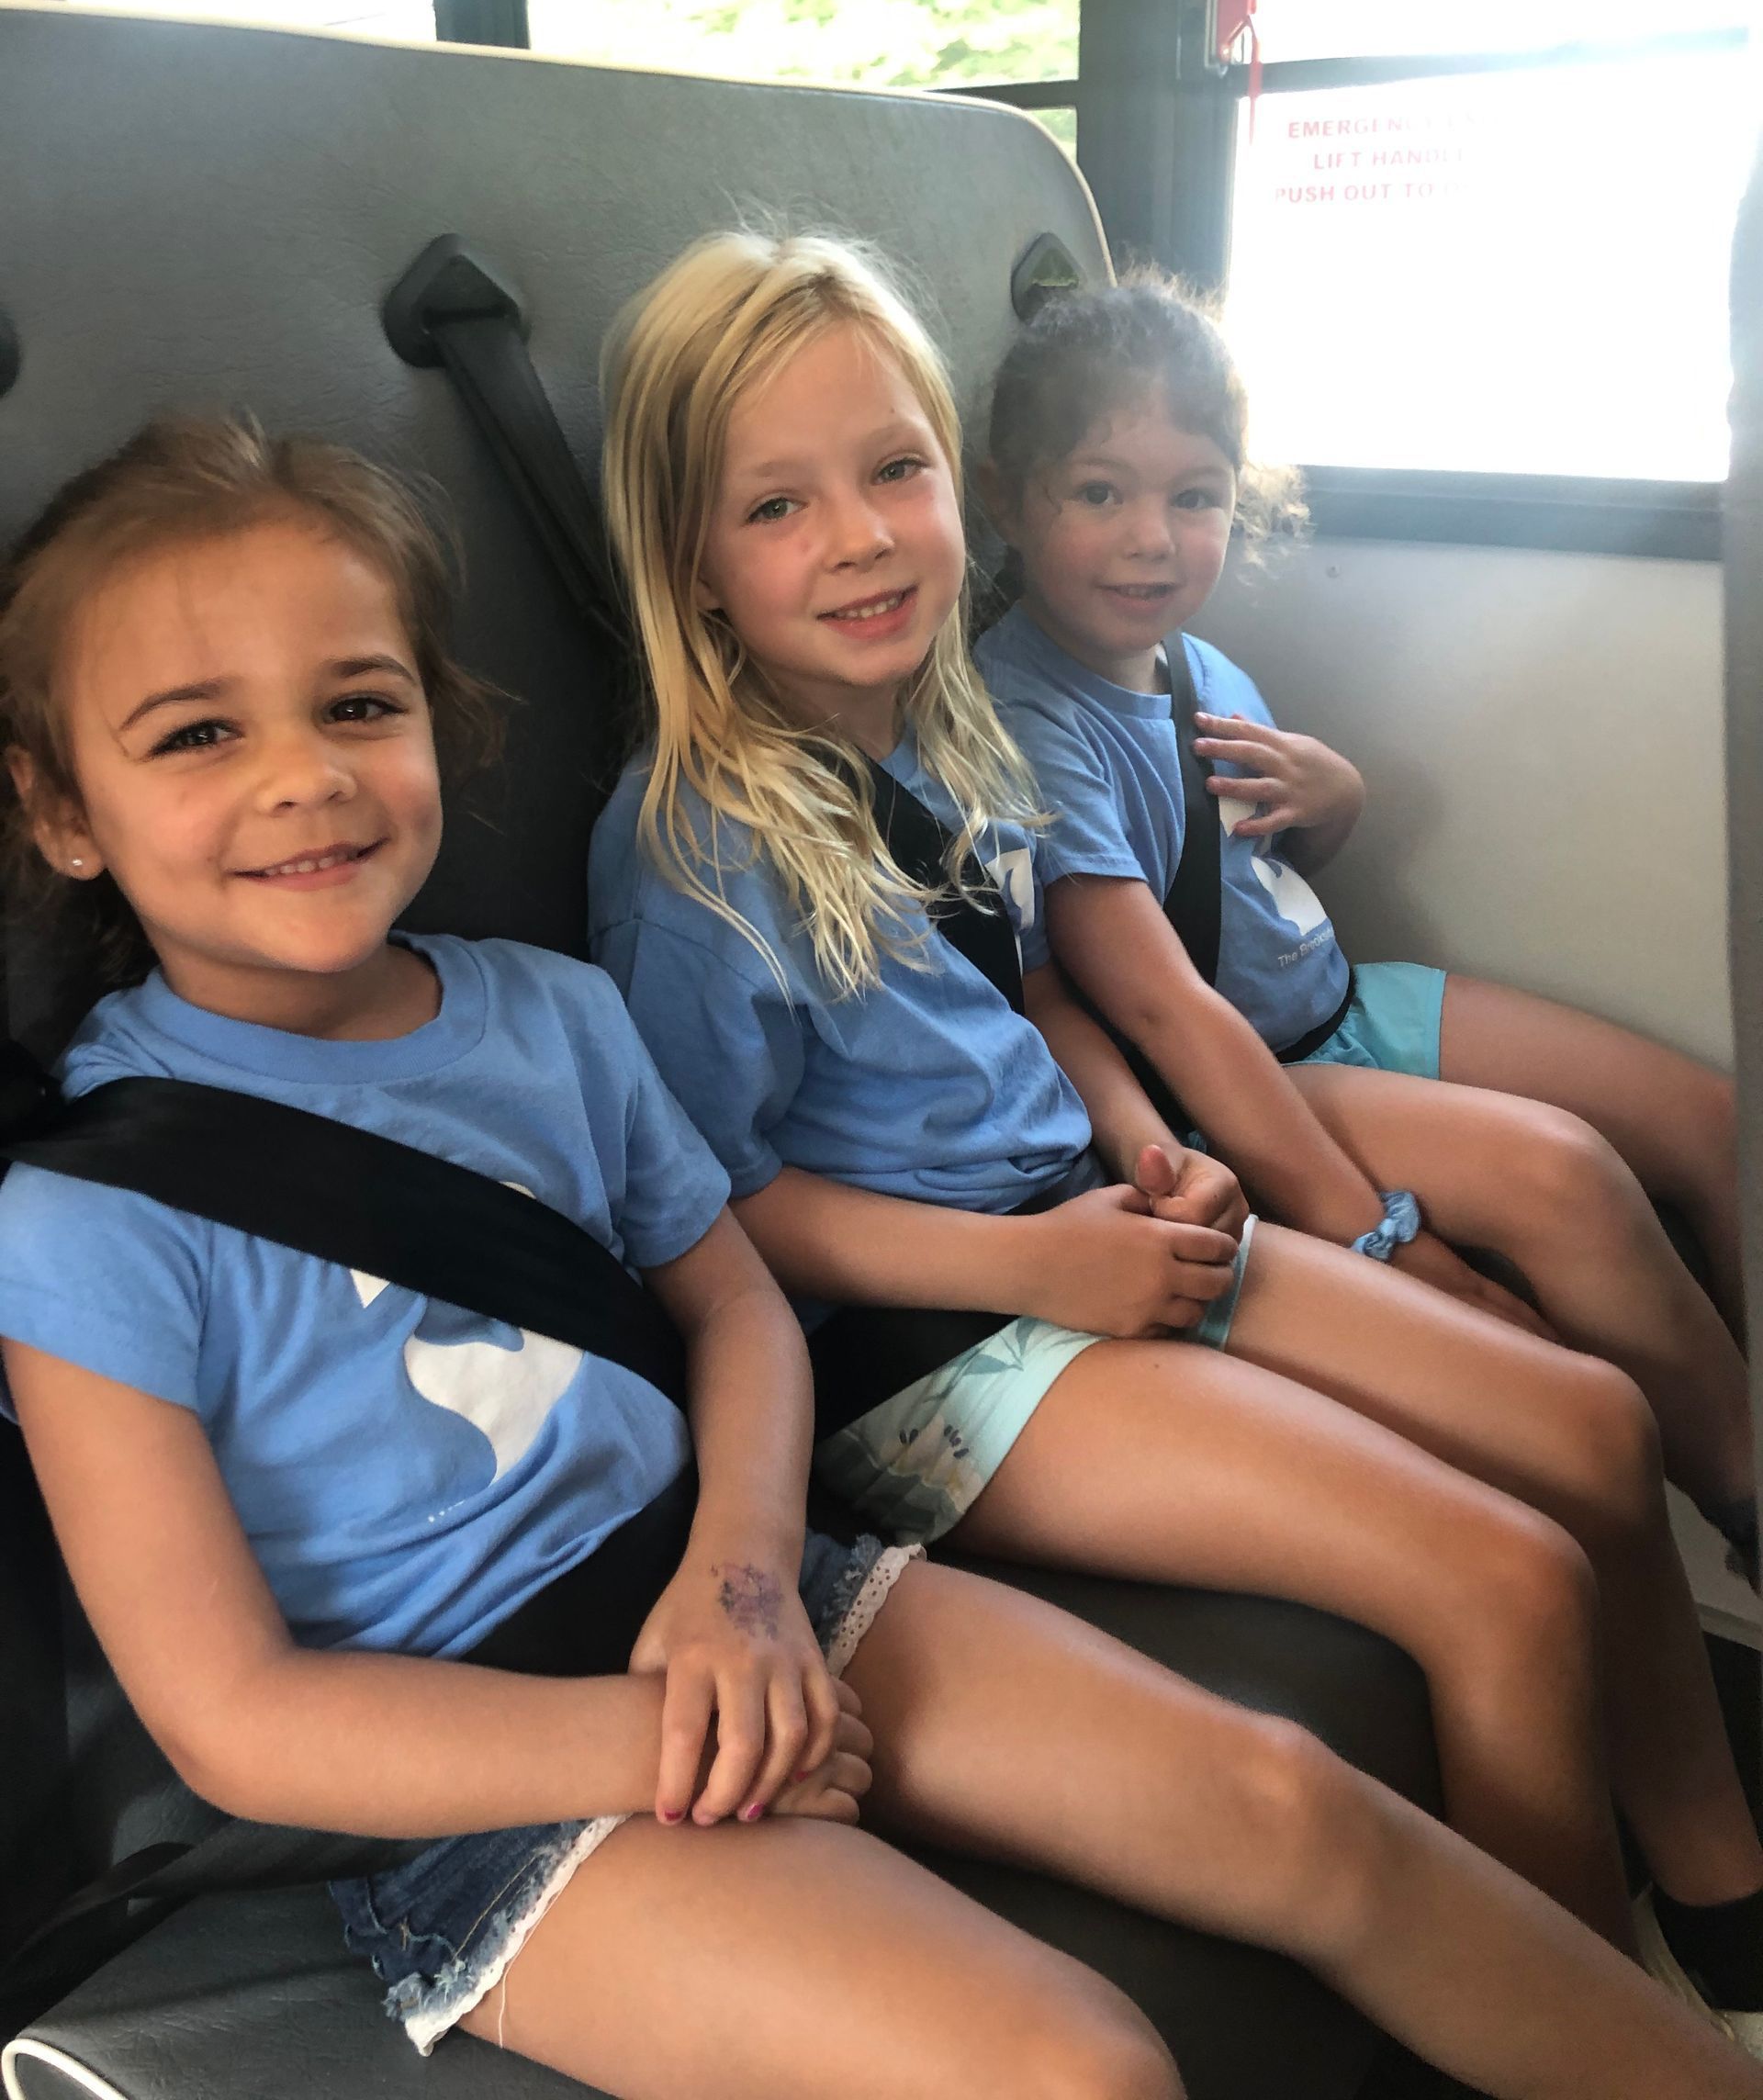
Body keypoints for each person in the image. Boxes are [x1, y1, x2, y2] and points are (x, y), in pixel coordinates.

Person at [7, 426, 1751, 2100]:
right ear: (60, 808)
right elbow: (237, 1720)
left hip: (749, 1581)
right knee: (1078, 2069)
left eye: (358, 705)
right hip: (489, 1775)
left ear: (437, 728)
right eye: (192, 737)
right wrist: (668, 1735)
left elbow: (732, 1305)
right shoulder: (92, 1218)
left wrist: (748, 1585)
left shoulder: (545, 1013)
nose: (303, 775)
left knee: (1299, 1806)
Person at [588, 228, 1763, 2054]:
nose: (864, 536)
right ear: (691, 562)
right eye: (779, 506)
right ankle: (1599, 2017)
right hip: (934, 1344)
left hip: (1092, 1220)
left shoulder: (954, 731)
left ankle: (1724, 1913)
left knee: (1597, 1423)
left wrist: (1142, 1141)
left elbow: (1046, 993)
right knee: (1501, 1571)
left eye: (893, 471)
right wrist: (1032, 1259)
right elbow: (721, 1214)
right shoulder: (691, 849)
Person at [974, 270, 1754, 1588]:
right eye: (1099, 492)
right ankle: (1743, 1488)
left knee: (1711, 1123)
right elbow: (1165, 1009)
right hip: (1258, 1077)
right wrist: (1383, 1239)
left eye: (1195, 496)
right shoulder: (1028, 715)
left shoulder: (1192, 663)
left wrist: (1340, 803)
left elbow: (1251, 868)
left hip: (1341, 999)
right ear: (1007, 500)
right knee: (1568, 1177)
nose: (1152, 539)